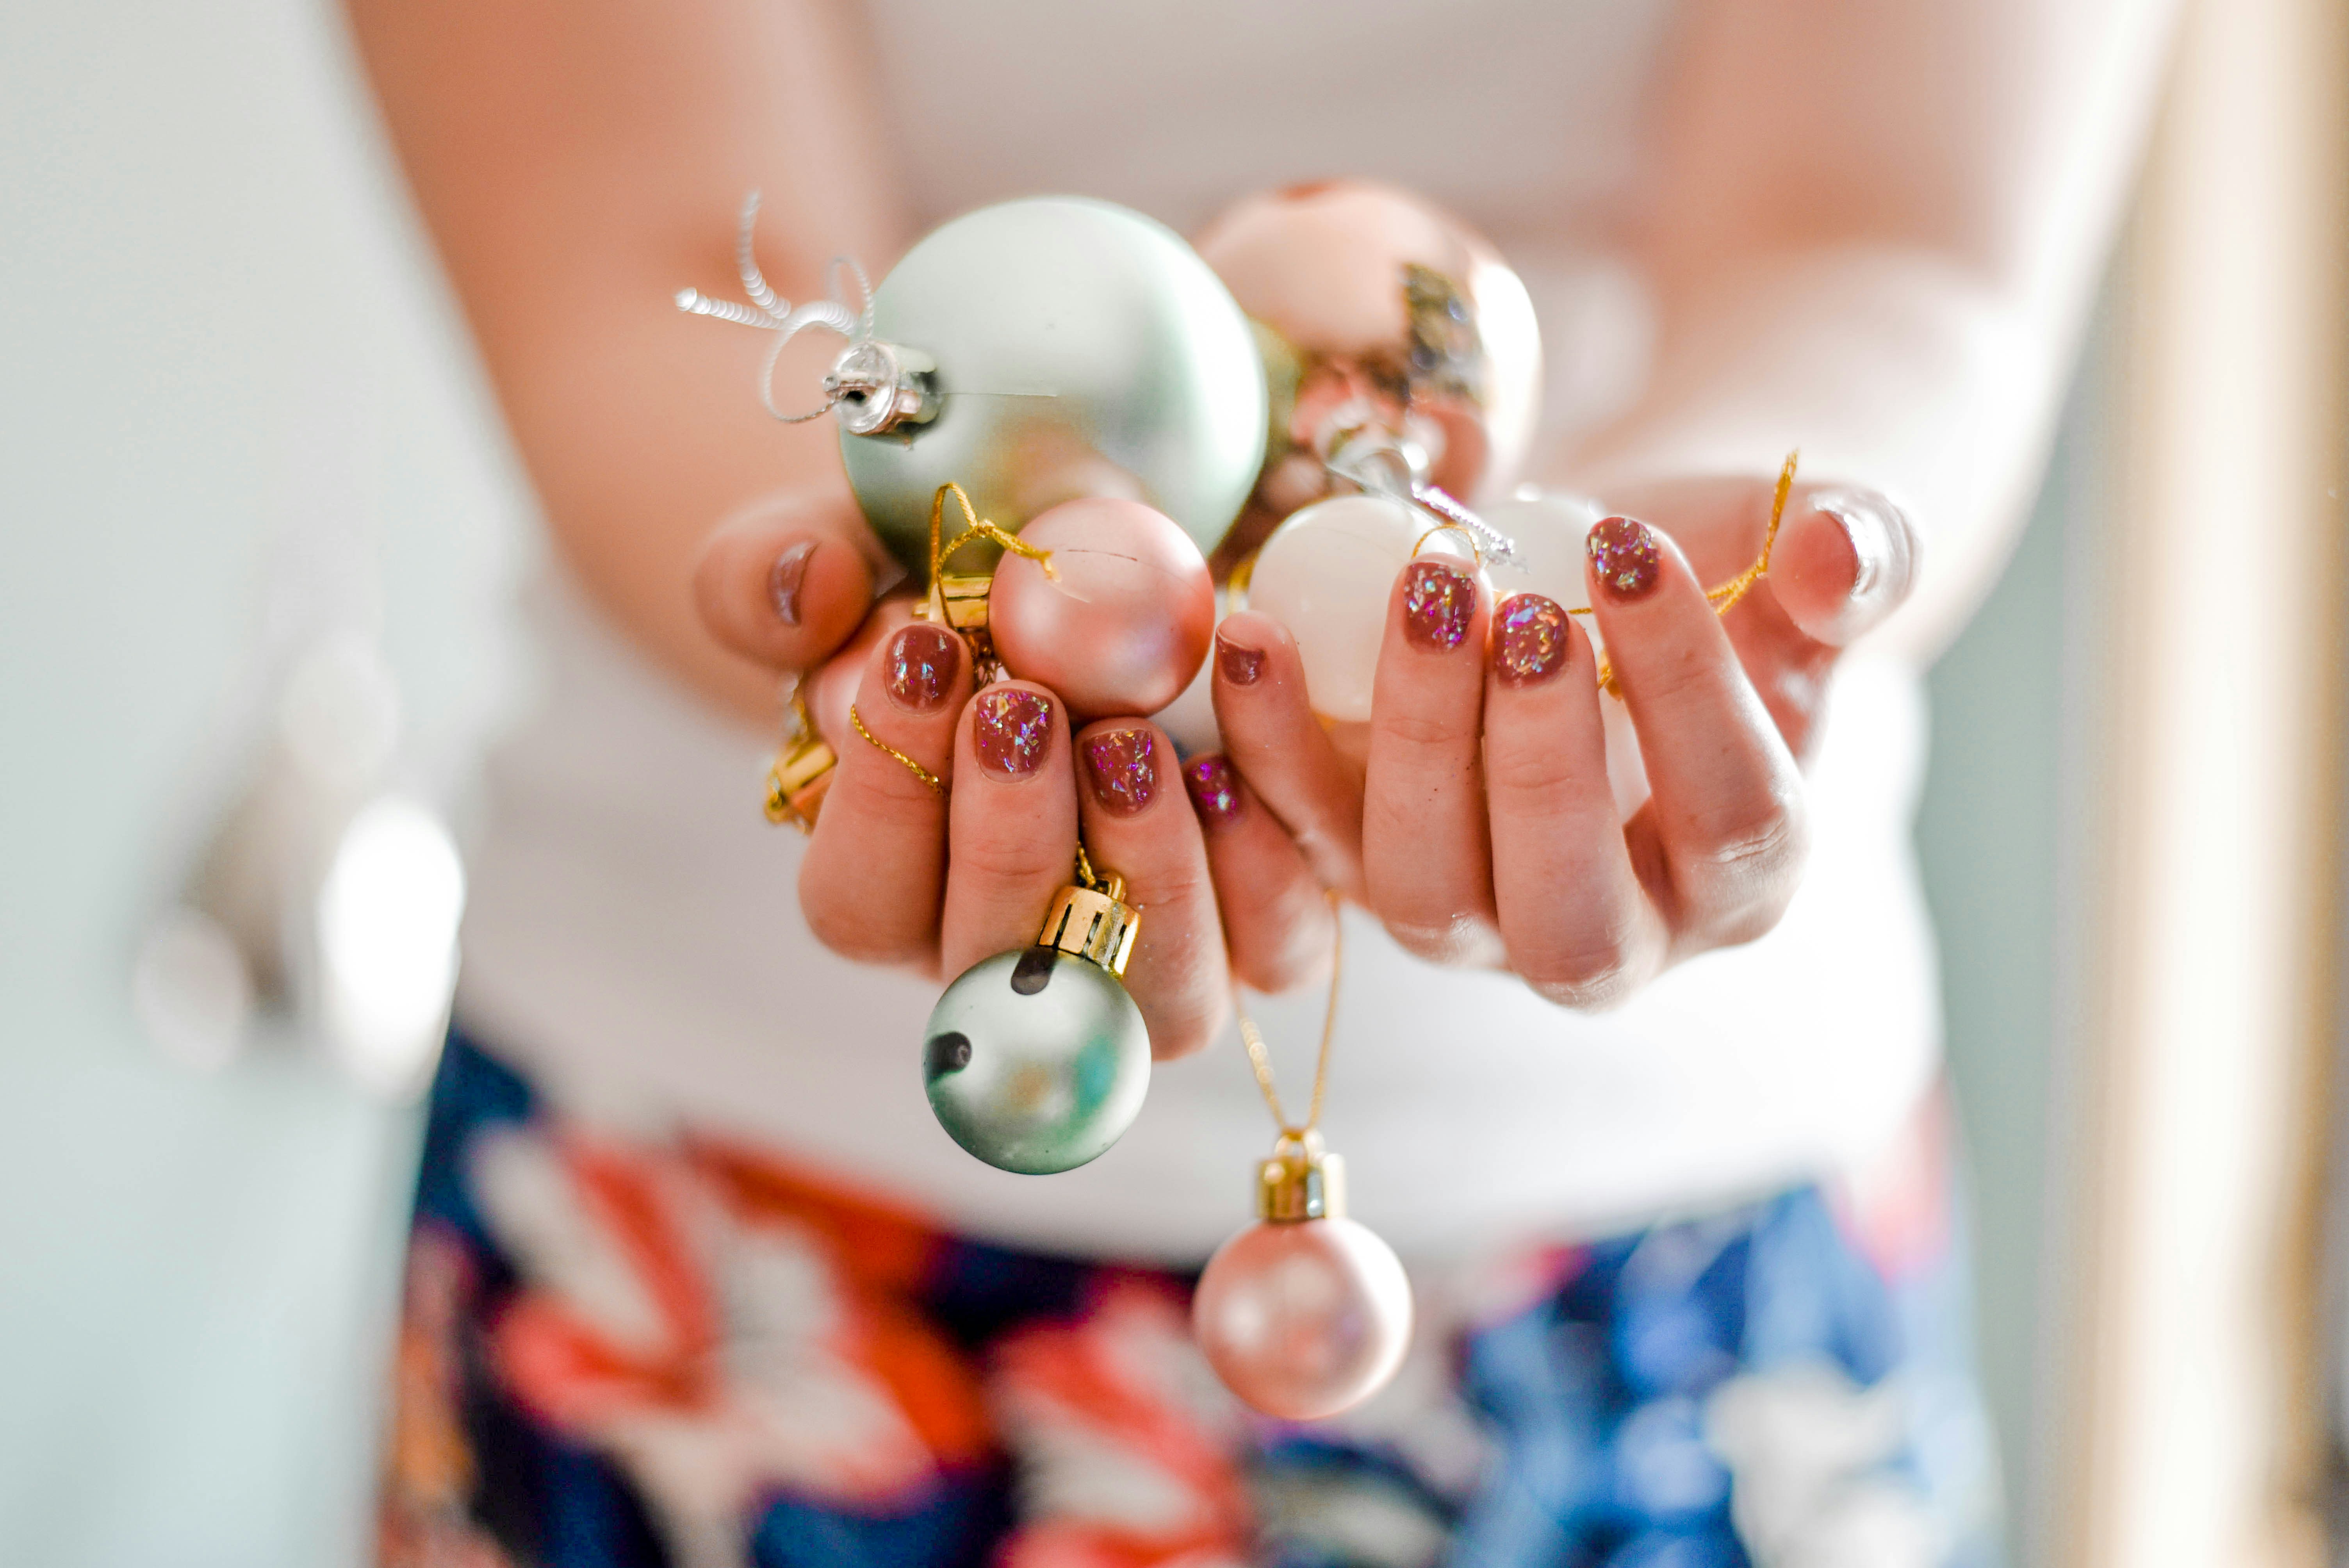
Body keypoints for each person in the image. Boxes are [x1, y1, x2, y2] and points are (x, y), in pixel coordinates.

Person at [351, 1, 2174, 1563]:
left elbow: (1884, 238)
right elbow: (639, 241)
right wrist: (920, 642)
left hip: (1682, 1245)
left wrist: (1716, 583)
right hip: (697, 1205)